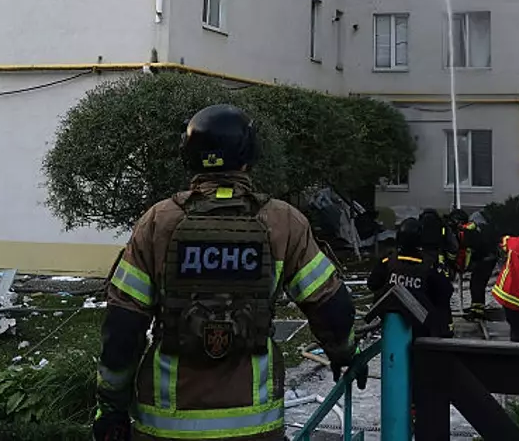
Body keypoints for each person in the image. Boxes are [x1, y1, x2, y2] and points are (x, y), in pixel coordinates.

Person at [94, 105, 362, 441]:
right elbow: (331, 306)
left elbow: (123, 327)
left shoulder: (157, 223)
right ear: (249, 156)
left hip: (165, 426)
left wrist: (111, 406)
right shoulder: (284, 223)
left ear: (189, 155)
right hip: (254, 426)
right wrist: (344, 353)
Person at [367, 217, 453, 338]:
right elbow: (445, 291)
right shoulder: (429, 265)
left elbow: (372, 284)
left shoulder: (387, 261)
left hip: (388, 317)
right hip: (420, 324)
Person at [453, 209, 498, 321]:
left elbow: (469, 246)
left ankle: (477, 311)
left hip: (485, 260)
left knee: (477, 285)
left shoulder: (473, 229)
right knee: (477, 284)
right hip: (488, 259)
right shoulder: (485, 227)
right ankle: (477, 308)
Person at [417, 207, 459, 279]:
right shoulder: (443, 225)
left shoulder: (418, 225)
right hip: (438, 256)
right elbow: (453, 246)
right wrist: (451, 261)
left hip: (421, 257)